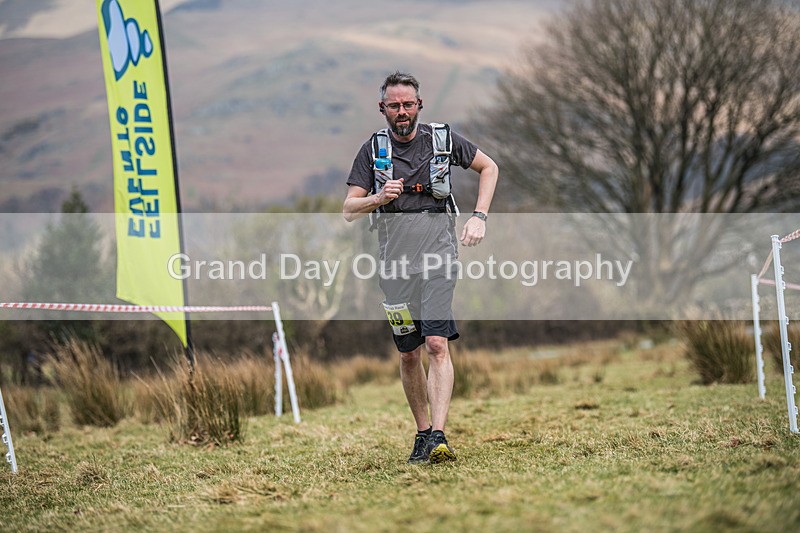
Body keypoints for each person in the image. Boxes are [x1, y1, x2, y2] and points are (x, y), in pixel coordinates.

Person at [343, 71, 499, 464]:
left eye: (408, 104)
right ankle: (423, 432)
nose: (402, 111)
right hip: (393, 264)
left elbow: (489, 167)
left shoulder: (442, 140)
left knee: (436, 344)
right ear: (382, 109)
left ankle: (440, 436)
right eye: (394, 105)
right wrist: (379, 197)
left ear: (419, 105)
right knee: (410, 353)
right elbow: (348, 210)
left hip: (439, 255)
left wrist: (479, 216)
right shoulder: (371, 150)